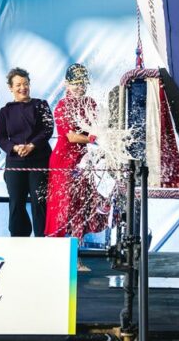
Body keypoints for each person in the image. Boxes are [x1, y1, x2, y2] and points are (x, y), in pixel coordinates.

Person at [44, 63, 107, 243]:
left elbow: (99, 127)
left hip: (84, 160)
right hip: (64, 161)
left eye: (83, 83)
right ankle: (57, 247)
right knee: (64, 204)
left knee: (81, 202)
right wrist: (93, 139)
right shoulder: (62, 106)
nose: (80, 87)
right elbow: (71, 137)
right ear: (66, 83)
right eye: (76, 83)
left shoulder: (90, 103)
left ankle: (77, 247)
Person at [0, 68, 54, 237]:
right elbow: (1, 137)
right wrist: (14, 148)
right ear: (10, 88)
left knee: (39, 202)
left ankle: (42, 238)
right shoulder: (5, 111)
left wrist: (32, 145)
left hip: (39, 160)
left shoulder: (41, 105)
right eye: (18, 85)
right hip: (15, 161)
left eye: (26, 84)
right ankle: (19, 239)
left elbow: (48, 129)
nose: (23, 88)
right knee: (16, 202)